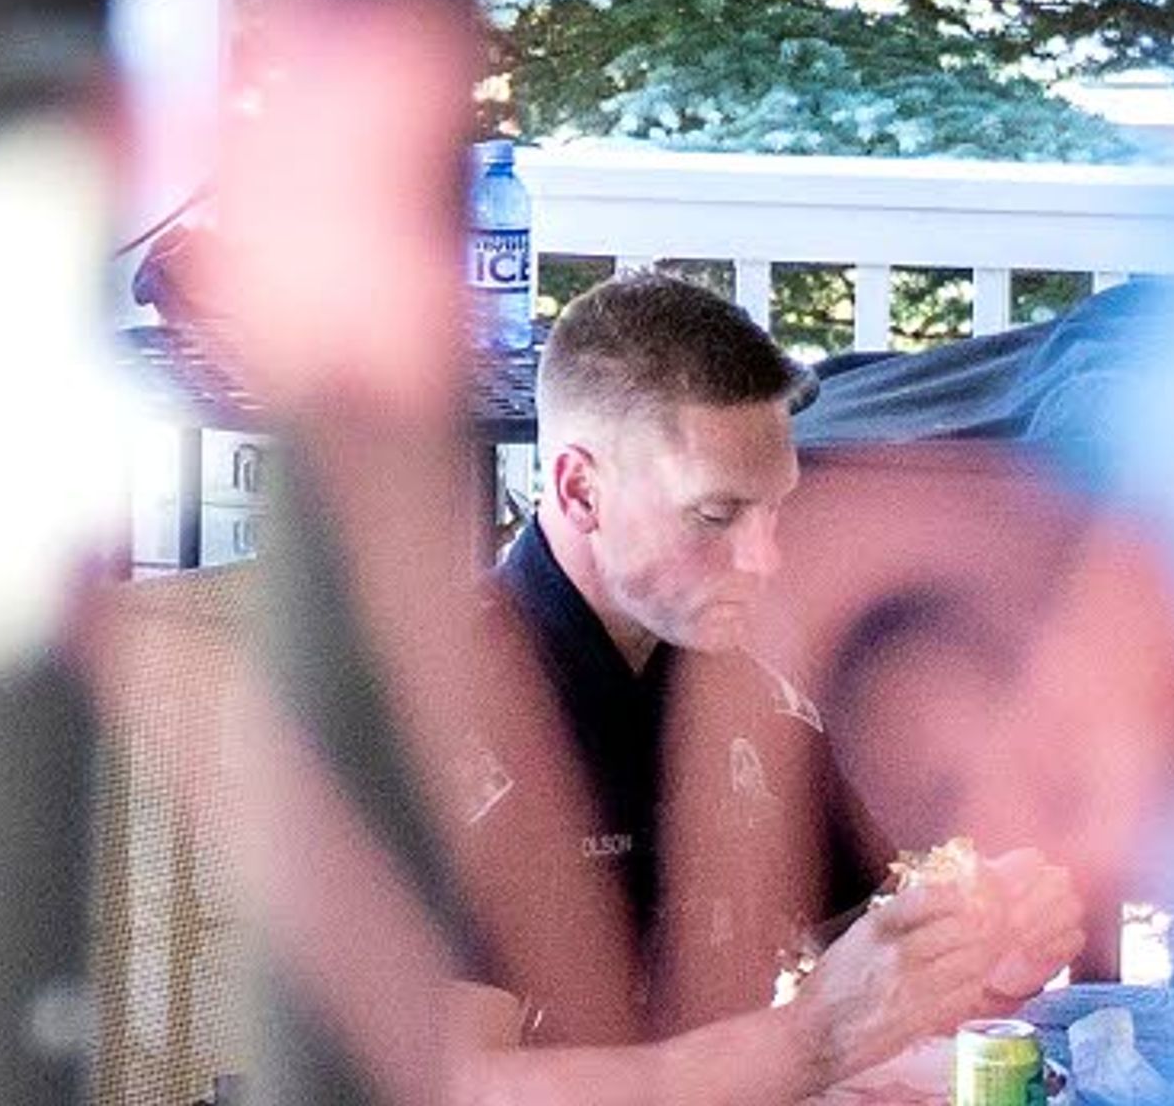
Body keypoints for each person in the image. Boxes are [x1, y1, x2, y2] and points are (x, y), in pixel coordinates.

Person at [444, 273, 1080, 1104]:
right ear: (579, 490)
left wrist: (983, 960)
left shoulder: (735, 682)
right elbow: (452, 1086)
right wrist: (809, 1041)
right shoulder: (450, 707)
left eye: (773, 511)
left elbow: (868, 975)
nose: (763, 560)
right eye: (715, 516)